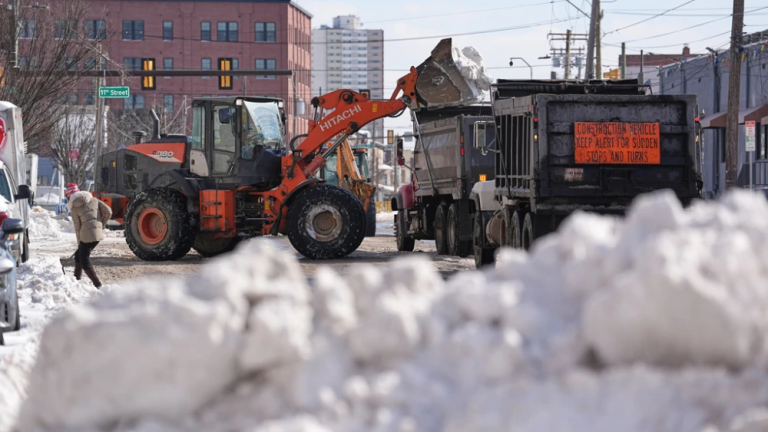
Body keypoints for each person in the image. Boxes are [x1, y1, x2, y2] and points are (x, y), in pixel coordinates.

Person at [65, 183, 112, 288]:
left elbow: (78, 229)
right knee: (79, 255)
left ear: (69, 196)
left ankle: (98, 285)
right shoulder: (94, 200)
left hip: (85, 237)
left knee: (84, 260)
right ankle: (76, 279)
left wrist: (79, 243)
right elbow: (109, 212)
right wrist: (100, 225)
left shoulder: (74, 208)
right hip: (97, 235)